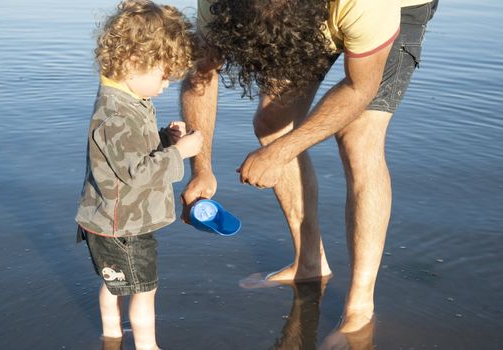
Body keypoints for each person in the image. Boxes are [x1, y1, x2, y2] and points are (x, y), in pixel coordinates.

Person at [180, 0, 438, 333]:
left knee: (358, 137)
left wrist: (280, 153)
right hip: (298, 14)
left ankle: (360, 308)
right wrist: (201, 168)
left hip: (395, 9)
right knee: (273, 122)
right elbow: (202, 72)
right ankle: (309, 263)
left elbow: (361, 88)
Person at [75, 1, 203, 349]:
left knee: (115, 281)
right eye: (164, 76)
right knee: (144, 290)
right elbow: (137, 171)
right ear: (134, 62)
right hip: (123, 226)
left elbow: (130, 153)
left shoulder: (125, 101)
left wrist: (164, 138)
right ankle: (148, 346)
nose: (166, 85)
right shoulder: (116, 113)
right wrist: (180, 153)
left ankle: (111, 336)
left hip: (110, 220)